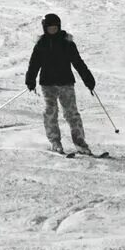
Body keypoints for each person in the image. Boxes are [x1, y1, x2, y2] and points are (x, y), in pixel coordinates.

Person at [26, 12, 97, 154]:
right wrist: (30, 79)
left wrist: (88, 79)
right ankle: (55, 142)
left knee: (71, 113)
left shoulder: (67, 43)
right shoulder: (41, 44)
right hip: (47, 84)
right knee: (50, 112)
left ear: (59, 26)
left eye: (55, 27)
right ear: (44, 28)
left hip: (66, 83)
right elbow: (34, 63)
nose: (52, 29)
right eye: (49, 27)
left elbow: (78, 62)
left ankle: (80, 143)